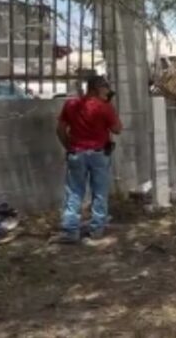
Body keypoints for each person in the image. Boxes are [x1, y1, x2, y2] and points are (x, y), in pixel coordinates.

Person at [54, 75, 122, 243]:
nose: (108, 91)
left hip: (77, 153)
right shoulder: (105, 107)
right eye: (105, 88)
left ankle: (71, 231)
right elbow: (118, 129)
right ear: (97, 88)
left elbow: (60, 129)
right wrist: (109, 106)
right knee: (99, 192)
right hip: (99, 154)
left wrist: (68, 147)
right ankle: (97, 229)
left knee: (74, 192)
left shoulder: (71, 104)